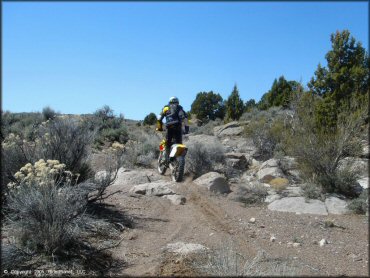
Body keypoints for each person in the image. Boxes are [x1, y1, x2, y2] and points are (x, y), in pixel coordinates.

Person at [156, 96, 189, 164]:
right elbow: (185, 118)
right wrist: (186, 129)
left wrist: (159, 127)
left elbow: (159, 118)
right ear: (178, 102)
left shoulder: (166, 108)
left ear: (169, 101)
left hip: (169, 127)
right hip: (178, 127)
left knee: (167, 143)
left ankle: (166, 159)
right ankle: (176, 160)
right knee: (179, 143)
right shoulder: (179, 108)